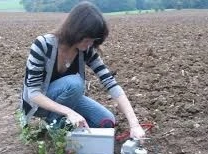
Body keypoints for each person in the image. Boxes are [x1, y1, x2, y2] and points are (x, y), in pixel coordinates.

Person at [21, 1, 145, 140]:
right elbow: (33, 94)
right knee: (75, 83)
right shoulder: (43, 45)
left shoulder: (86, 50)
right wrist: (68, 112)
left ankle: (68, 128)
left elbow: (110, 82)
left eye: (93, 40)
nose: (90, 45)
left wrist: (134, 124)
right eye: (87, 39)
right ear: (75, 31)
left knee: (106, 122)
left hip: (69, 97)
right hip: (41, 104)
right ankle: (55, 128)